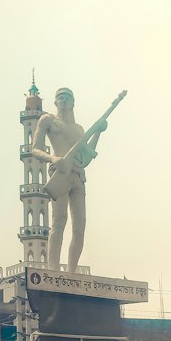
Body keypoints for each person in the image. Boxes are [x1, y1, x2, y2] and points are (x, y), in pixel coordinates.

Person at [29, 86, 123, 271]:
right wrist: (53, 158)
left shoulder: (79, 129)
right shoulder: (48, 120)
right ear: (55, 102)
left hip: (78, 176)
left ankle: (72, 272)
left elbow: (86, 156)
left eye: (66, 97)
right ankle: (54, 271)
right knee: (59, 222)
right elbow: (35, 149)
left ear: (73, 103)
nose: (63, 101)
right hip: (60, 173)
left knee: (80, 227)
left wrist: (98, 132)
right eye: (60, 98)